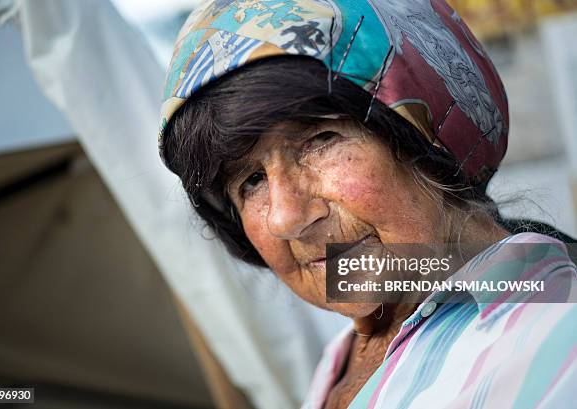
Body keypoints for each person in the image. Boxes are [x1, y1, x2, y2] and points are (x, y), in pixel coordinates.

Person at [157, 1, 577, 407]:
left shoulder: (556, 343)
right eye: (250, 181)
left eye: (320, 140)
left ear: (431, 136)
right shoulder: (348, 350)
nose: (286, 217)